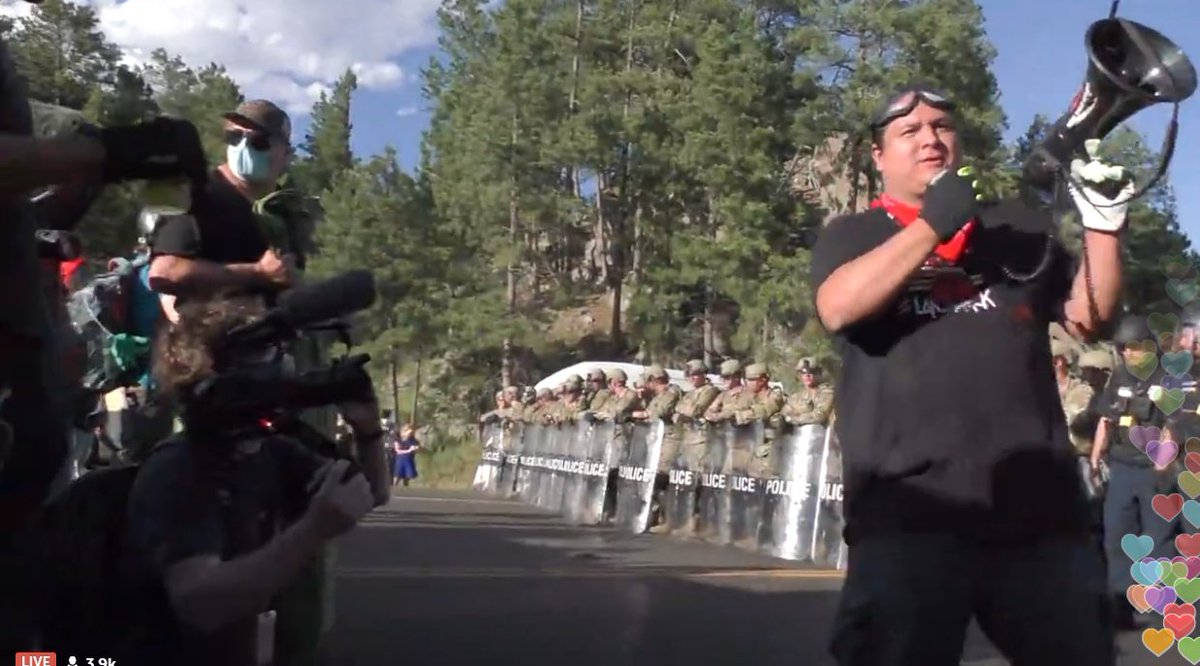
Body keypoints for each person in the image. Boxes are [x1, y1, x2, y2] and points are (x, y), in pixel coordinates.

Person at [812, 84, 1130, 664]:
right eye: (909, 132)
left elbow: (1090, 322)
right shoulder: (854, 236)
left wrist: (1104, 229)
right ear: (878, 157)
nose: (930, 138)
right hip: (909, 513)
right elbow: (838, 306)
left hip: (1041, 515)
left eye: (942, 127)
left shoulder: (1016, 228)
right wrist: (934, 224)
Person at [125, 293, 388, 665]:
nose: (280, 369)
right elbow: (199, 603)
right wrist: (312, 529)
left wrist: (369, 432)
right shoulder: (179, 469)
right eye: (261, 356)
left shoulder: (270, 451)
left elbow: (369, 493)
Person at [147, 99, 298, 303]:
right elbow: (165, 272)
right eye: (235, 137)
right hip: (206, 331)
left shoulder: (285, 209)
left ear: (287, 154)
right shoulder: (195, 195)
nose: (243, 146)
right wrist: (258, 272)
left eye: (259, 141)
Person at [1090, 315, 1176, 629]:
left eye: (1132, 348)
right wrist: (1096, 455)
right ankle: (1119, 601)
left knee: (1158, 538)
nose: (1127, 353)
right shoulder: (1119, 378)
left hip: (1154, 467)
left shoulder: (1168, 378)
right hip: (1122, 464)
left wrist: (1162, 465)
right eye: (1123, 348)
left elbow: (1173, 424)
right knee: (1116, 534)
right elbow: (1105, 419)